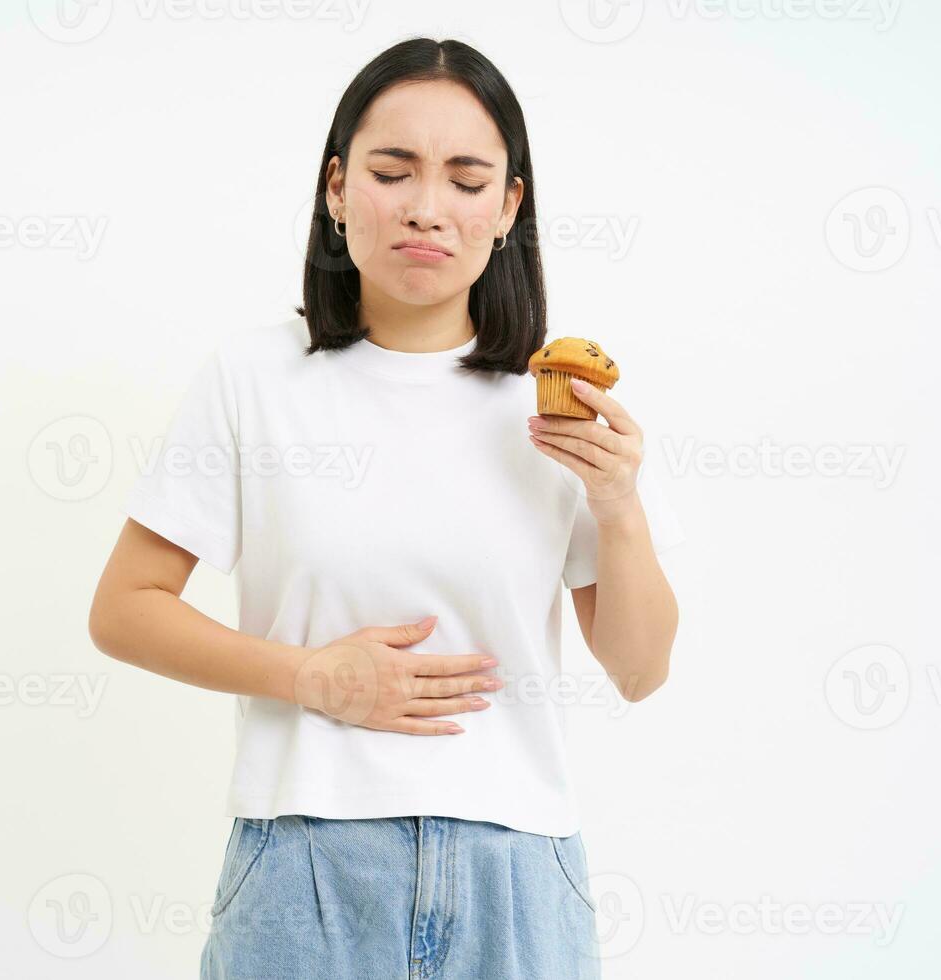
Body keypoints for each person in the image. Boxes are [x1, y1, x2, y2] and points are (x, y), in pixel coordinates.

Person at [88, 36, 684, 980]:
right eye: (392, 171)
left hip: (518, 878)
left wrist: (620, 505)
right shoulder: (256, 377)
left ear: (508, 208)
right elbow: (123, 610)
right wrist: (311, 678)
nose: (425, 208)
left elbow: (641, 670)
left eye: (465, 179)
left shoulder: (550, 400)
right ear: (335, 190)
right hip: (304, 872)